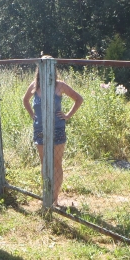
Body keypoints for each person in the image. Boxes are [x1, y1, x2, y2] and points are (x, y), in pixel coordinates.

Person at [22, 56, 83, 206]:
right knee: (44, 163)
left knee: (56, 163)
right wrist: (32, 115)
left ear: (53, 68)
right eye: (43, 66)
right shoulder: (35, 86)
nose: (46, 69)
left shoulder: (59, 86)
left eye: (49, 66)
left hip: (57, 128)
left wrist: (67, 115)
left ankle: (54, 199)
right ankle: (46, 194)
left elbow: (78, 99)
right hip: (40, 129)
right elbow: (25, 101)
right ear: (40, 68)